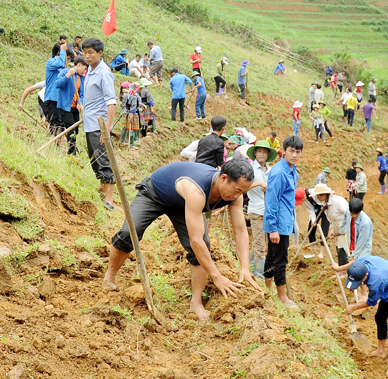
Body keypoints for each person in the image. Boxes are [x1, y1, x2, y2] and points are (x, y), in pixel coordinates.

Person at [103, 160, 261, 320]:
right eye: (237, 190)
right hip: (155, 193)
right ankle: (109, 276)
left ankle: (196, 303)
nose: (237, 196)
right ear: (224, 179)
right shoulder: (197, 190)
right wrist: (216, 277)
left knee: (203, 247)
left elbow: (240, 231)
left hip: (183, 204)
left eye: (242, 192)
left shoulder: (234, 197)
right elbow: (195, 240)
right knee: (130, 231)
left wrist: (245, 268)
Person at [333, 256, 388, 378]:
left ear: (365, 276)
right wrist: (339, 268)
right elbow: (353, 264)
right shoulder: (362, 263)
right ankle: (381, 350)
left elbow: (371, 302)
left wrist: (354, 307)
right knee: (380, 317)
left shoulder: (376, 281)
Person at [263, 136, 304, 309]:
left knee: (272, 256)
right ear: (284, 151)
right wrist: (273, 229)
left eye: (298, 152)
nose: (294, 155)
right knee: (281, 260)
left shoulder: (292, 170)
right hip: (278, 224)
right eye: (291, 151)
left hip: (285, 221)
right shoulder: (279, 172)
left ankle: (266, 289)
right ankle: (282, 297)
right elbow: (271, 201)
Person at [81, 37, 117, 210]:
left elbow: (111, 102)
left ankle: (109, 198)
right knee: (95, 157)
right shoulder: (90, 70)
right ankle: (102, 188)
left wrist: (107, 129)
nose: (87, 56)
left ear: (100, 53)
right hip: (89, 123)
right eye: (85, 52)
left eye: (90, 53)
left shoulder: (104, 72)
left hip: (99, 125)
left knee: (104, 159)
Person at [246, 140, 276, 278]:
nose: (262, 154)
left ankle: (251, 267)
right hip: (256, 210)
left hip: (268, 211)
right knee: (260, 245)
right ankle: (259, 275)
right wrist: (258, 183)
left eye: (264, 152)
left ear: (268, 154)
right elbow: (243, 187)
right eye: (259, 151)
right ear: (255, 153)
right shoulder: (250, 169)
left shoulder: (270, 170)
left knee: (261, 241)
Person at [338, 198, 373, 302]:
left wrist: (354, 256)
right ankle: (356, 293)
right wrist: (342, 229)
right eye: (352, 213)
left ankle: (364, 293)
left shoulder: (365, 223)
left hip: (362, 249)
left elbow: (362, 242)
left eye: (356, 214)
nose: (353, 216)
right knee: (353, 269)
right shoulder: (348, 213)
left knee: (359, 269)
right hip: (351, 243)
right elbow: (344, 219)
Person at [55, 57, 87, 155]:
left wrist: (79, 103)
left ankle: (71, 148)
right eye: (84, 68)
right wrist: (68, 75)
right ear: (79, 65)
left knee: (75, 130)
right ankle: (72, 153)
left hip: (74, 108)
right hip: (65, 106)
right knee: (71, 129)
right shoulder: (65, 71)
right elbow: (58, 84)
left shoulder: (82, 78)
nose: (85, 71)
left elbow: (81, 94)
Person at [44, 43, 67, 135]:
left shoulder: (62, 67)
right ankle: (56, 143)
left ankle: (57, 143)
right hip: (52, 97)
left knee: (61, 123)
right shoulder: (51, 62)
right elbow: (60, 63)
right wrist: (63, 51)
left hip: (60, 99)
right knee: (55, 122)